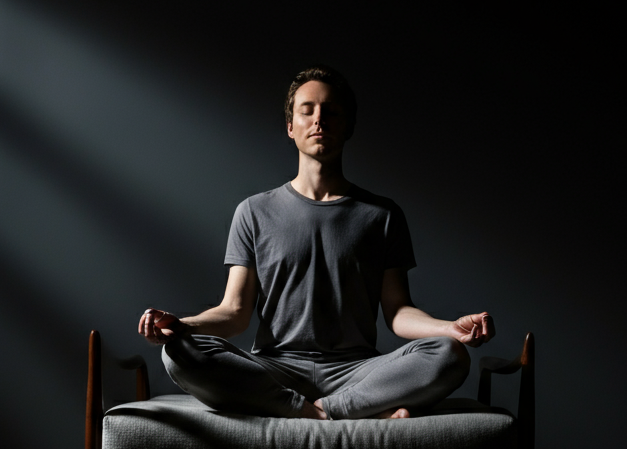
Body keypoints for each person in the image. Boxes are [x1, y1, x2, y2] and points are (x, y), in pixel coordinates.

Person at [138, 65, 491, 420]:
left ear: (347, 126)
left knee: (449, 355)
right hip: (275, 369)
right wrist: (182, 326)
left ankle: (320, 409)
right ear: (291, 126)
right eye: (307, 110)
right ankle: (329, 411)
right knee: (178, 351)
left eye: (331, 111)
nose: (319, 119)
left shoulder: (382, 215)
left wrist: (450, 329)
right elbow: (233, 313)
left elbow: (398, 312)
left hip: (357, 371)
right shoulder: (253, 212)